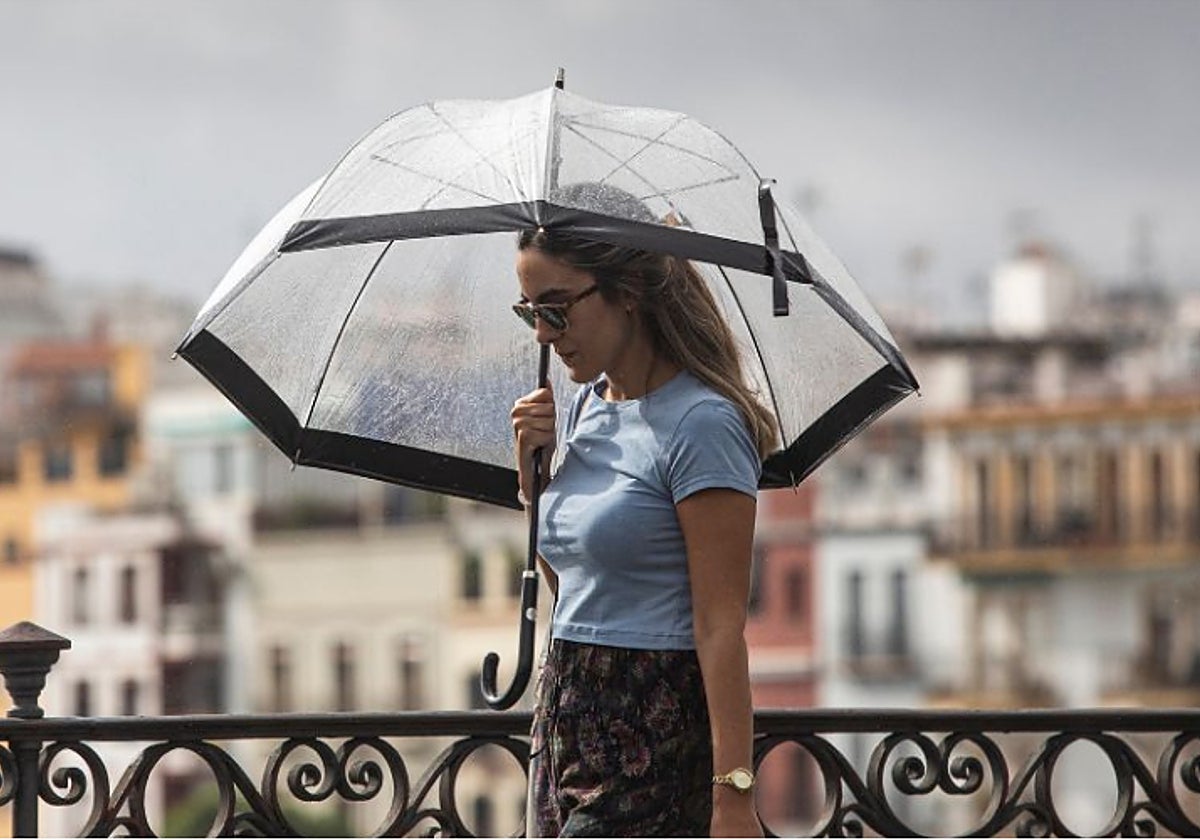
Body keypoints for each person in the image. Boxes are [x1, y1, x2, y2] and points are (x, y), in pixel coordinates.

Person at [509, 185, 778, 837]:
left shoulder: (703, 423)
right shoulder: (586, 408)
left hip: (650, 729)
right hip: (566, 719)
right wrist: (532, 483)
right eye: (530, 312)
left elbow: (720, 626)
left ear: (626, 291)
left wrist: (734, 796)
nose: (544, 333)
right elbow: (581, 586)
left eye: (556, 309)